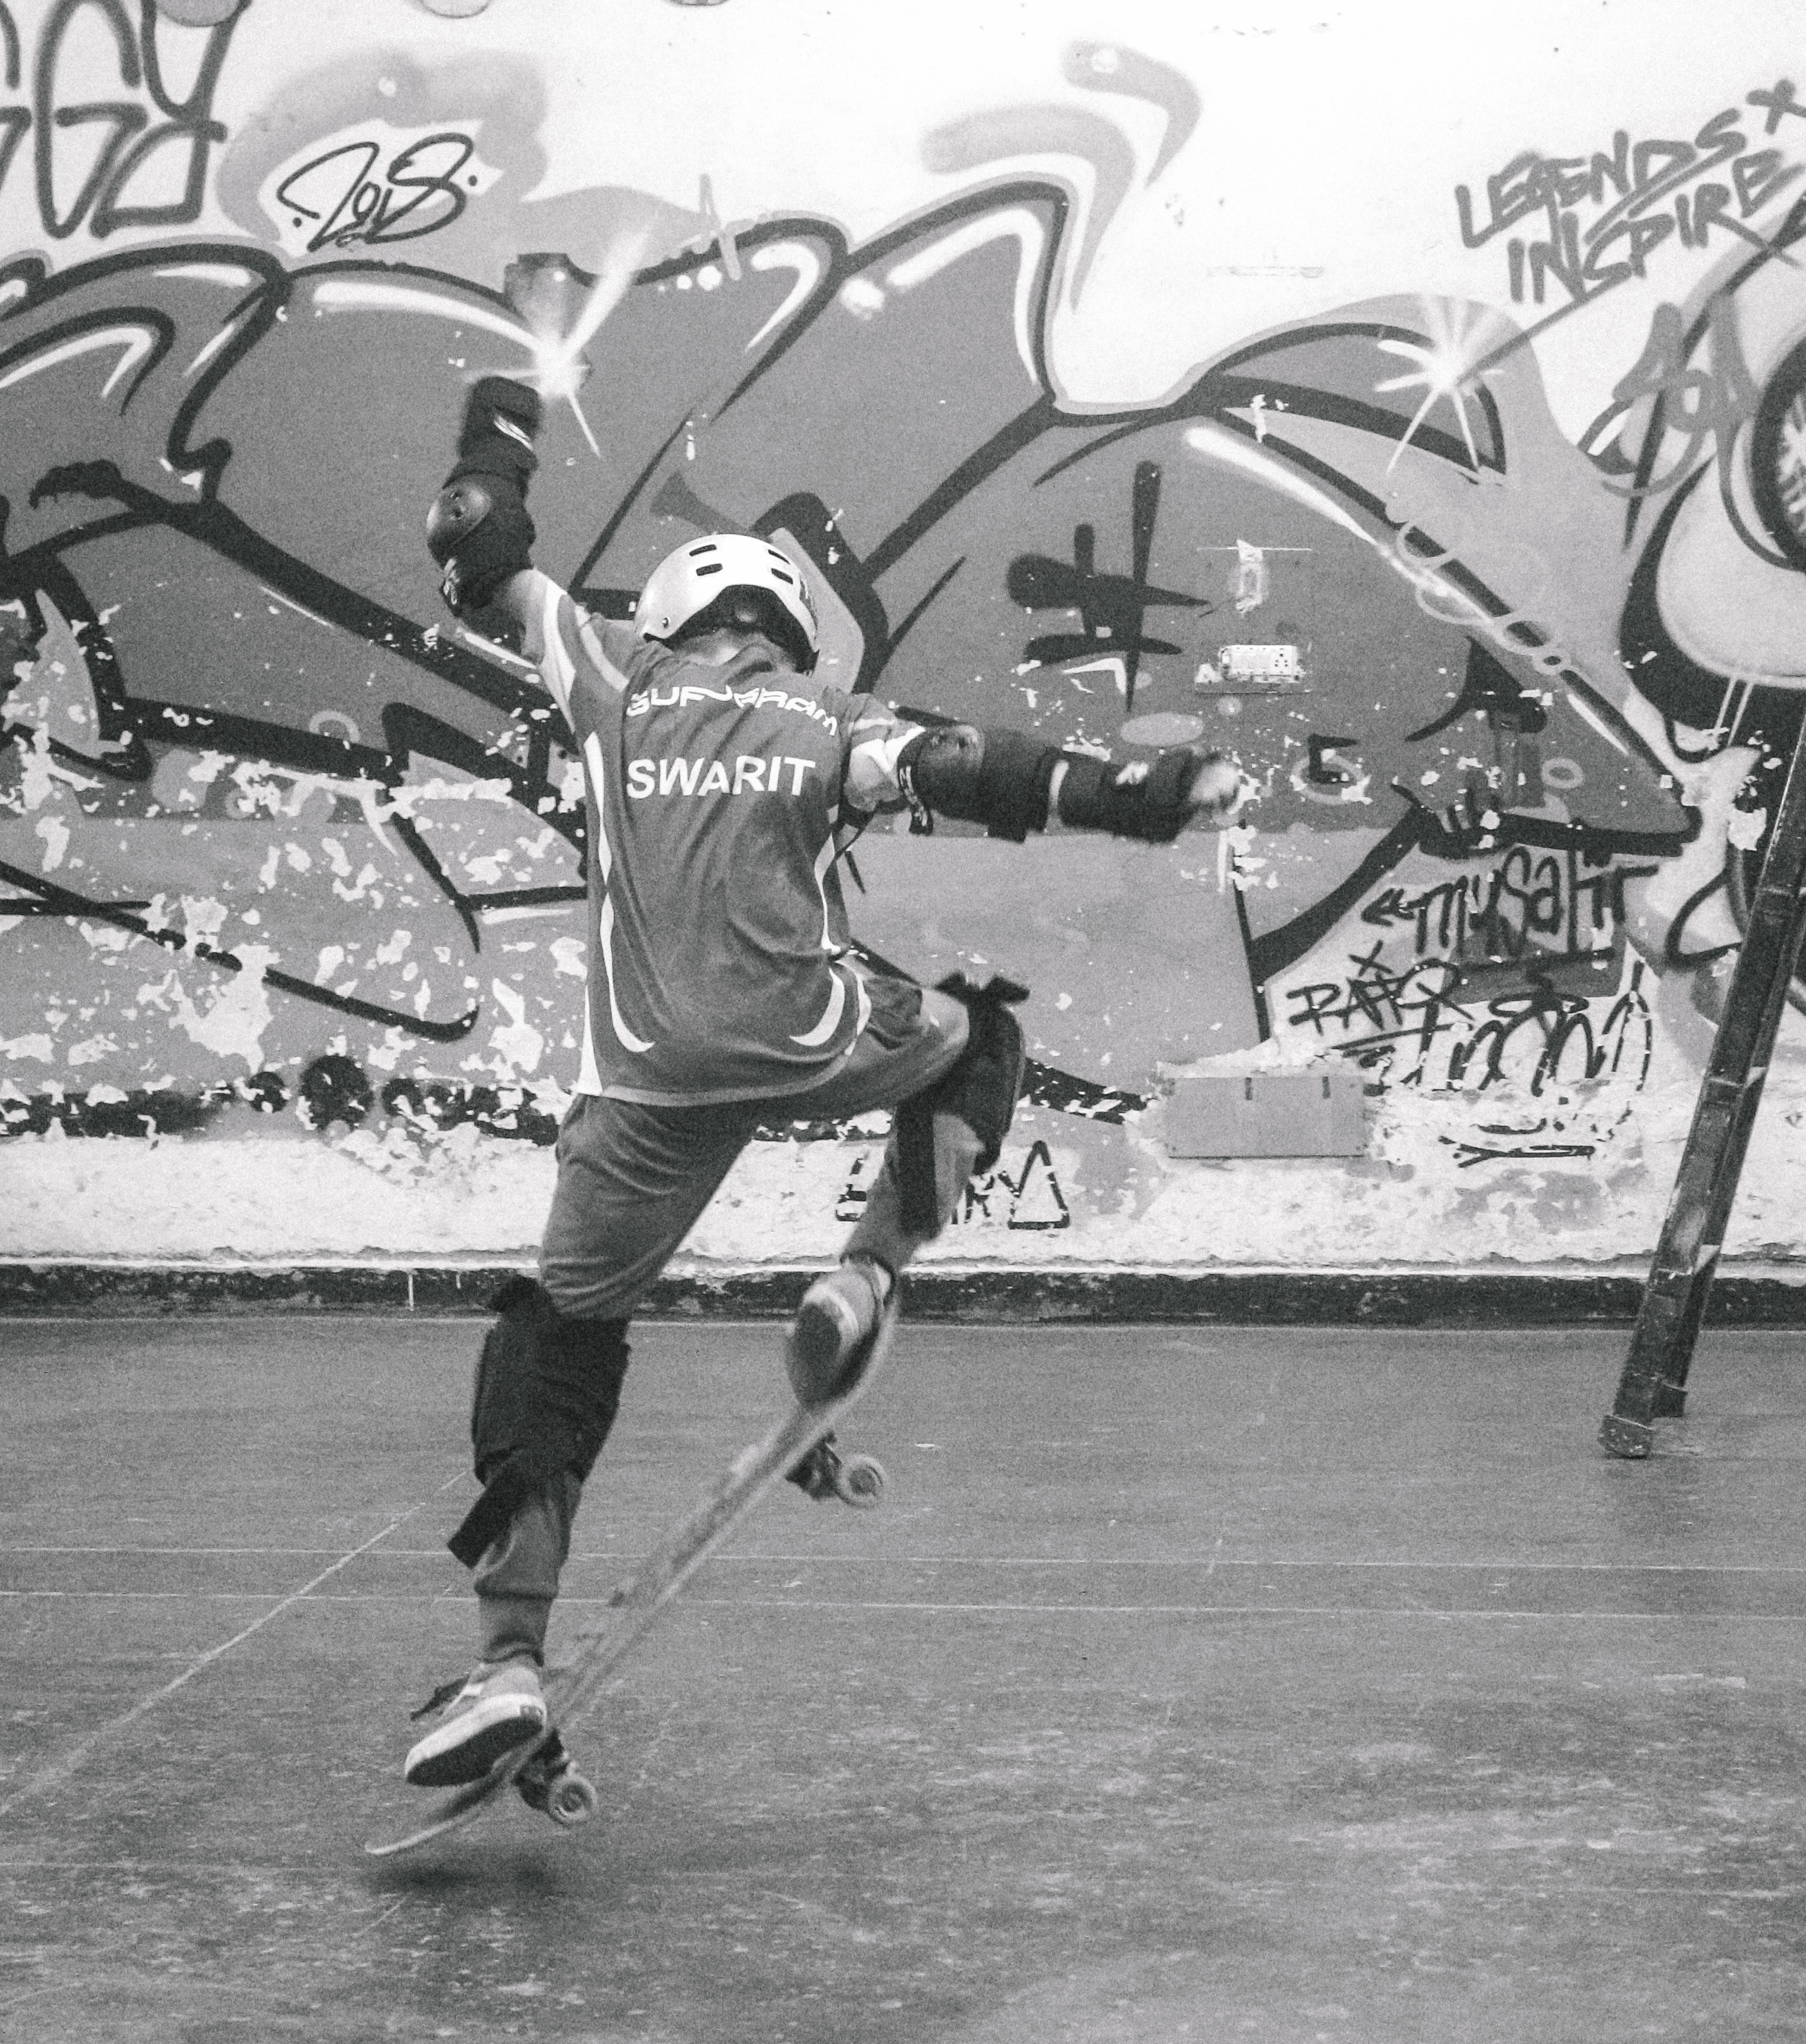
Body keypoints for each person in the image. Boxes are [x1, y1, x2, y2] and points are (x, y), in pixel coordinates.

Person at [400, 376, 1247, 1787]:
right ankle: (862, 1275)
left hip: (644, 1088)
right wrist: (1145, 797)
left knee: (557, 1341)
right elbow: (969, 767)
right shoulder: (824, 716)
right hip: (812, 1034)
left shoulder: (607, 671)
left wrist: (499, 426)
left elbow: (475, 539)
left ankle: (505, 1662)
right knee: (977, 1041)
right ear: (786, 628)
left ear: (671, 612)